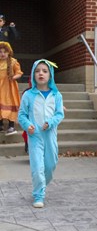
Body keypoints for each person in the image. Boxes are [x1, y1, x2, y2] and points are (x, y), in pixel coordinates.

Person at [18, 59, 64, 208]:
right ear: (33, 75)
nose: (41, 74)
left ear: (50, 75)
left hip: (50, 136)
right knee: (38, 167)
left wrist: (50, 123)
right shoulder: (28, 95)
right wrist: (27, 125)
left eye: (44, 71)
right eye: (37, 71)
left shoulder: (56, 95)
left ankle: (42, 184)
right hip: (35, 136)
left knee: (50, 166)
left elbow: (59, 114)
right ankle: (38, 195)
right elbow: (21, 115)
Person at [0, 41, 23, 135]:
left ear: (9, 52)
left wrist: (13, 77)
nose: (2, 54)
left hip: (9, 88)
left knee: (10, 103)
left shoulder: (13, 61)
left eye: (4, 52)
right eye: (0, 52)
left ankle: (11, 125)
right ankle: (0, 124)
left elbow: (19, 73)